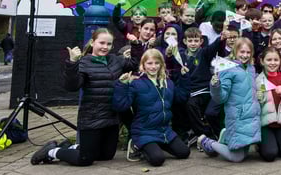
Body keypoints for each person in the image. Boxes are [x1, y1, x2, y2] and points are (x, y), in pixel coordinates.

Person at [31, 29, 136, 166]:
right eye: (101, 43)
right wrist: (72, 62)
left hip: (111, 118)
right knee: (85, 159)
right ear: (92, 42)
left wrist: (136, 44)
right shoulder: (84, 63)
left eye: (109, 44)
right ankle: (52, 151)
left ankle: (72, 148)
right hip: (92, 117)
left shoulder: (115, 60)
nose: (105, 47)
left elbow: (135, 64)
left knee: (106, 156)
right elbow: (72, 86)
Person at [112, 49, 191, 166]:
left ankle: (156, 145)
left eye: (156, 63)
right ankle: (135, 144)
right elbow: (121, 106)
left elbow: (180, 98)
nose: (153, 67)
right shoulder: (136, 83)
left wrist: (184, 78)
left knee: (184, 152)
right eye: (149, 63)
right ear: (143, 65)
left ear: (161, 64)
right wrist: (122, 85)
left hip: (164, 131)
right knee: (158, 159)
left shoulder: (168, 82)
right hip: (144, 131)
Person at [198, 38, 260, 163]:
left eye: (248, 52)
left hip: (251, 117)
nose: (245, 55)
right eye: (242, 52)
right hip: (237, 116)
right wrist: (216, 86)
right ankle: (208, 142)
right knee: (237, 157)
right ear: (235, 51)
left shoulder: (251, 68)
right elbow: (221, 98)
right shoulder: (227, 69)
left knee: (245, 153)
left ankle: (225, 137)